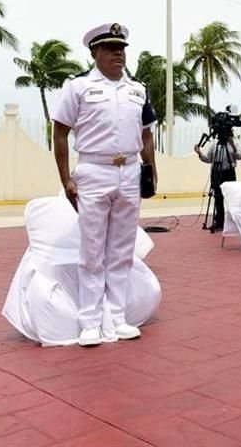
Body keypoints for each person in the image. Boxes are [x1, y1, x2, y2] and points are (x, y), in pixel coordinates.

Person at [51, 22, 157, 347]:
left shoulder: (137, 89)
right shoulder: (78, 87)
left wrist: (151, 170)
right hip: (94, 172)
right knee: (92, 249)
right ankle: (90, 321)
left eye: (122, 48)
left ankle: (118, 316)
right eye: (111, 48)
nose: (118, 54)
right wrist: (66, 178)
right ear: (94, 52)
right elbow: (60, 132)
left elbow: (147, 134)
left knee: (122, 249)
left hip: (129, 170)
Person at [195, 112, 241, 231]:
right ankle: (219, 222)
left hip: (229, 173)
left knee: (232, 199)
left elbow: (240, 156)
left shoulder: (234, 143)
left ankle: (233, 221)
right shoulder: (215, 144)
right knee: (218, 198)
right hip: (217, 173)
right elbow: (208, 159)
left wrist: (232, 144)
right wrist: (199, 153)